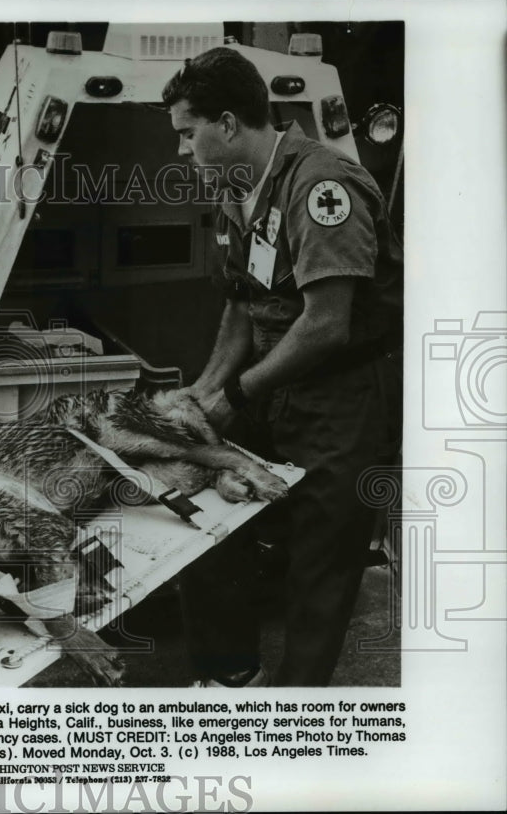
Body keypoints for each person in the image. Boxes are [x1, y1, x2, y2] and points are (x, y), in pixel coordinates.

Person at [162, 47, 402, 687]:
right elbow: (244, 304)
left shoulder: (322, 185)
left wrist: (235, 396)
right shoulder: (240, 190)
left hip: (343, 396)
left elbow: (327, 325)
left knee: (320, 568)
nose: (184, 150)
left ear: (229, 124)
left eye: (189, 133)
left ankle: (294, 723)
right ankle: (229, 676)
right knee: (199, 508)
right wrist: (204, 392)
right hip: (279, 386)